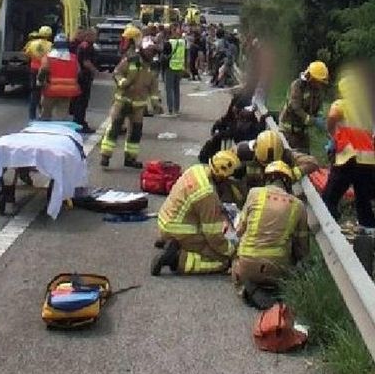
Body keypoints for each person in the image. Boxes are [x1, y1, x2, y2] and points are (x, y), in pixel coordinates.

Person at [232, 161, 310, 309]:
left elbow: (240, 230)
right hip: (277, 268)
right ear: (287, 182)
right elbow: (303, 248)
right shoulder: (298, 205)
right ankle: (276, 291)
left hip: (247, 264)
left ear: (266, 178)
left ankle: (246, 287)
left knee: (236, 262)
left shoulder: (254, 193)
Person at [152, 150, 241, 276]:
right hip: (179, 231)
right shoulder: (207, 194)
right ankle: (175, 259)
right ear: (221, 177)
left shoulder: (197, 169)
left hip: (165, 219)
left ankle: (168, 240)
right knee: (221, 260)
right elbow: (213, 236)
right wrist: (232, 252)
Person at [322, 70, 375, 228]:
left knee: (329, 197)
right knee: (363, 200)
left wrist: (333, 134)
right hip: (368, 160)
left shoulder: (341, 104)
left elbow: (332, 117)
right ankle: (368, 230)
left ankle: (329, 224)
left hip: (348, 157)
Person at [100, 38, 163, 169]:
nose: (152, 53)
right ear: (143, 50)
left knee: (135, 132)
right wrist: (122, 82)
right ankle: (105, 156)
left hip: (138, 105)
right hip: (123, 100)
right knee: (114, 128)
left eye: (153, 51)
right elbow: (117, 72)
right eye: (150, 50)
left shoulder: (152, 67)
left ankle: (130, 158)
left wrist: (156, 103)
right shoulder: (131, 60)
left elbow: (153, 88)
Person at [278, 60, 330, 152]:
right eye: (318, 81)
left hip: (302, 132)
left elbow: (318, 107)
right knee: (290, 158)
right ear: (311, 78)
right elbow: (295, 108)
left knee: (305, 158)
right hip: (288, 131)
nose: (319, 85)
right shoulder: (297, 86)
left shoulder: (317, 90)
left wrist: (320, 117)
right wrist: (313, 121)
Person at [37, 33, 81, 121]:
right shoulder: (73, 58)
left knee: (45, 114)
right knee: (61, 116)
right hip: (67, 91)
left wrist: (40, 82)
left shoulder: (48, 57)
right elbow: (78, 71)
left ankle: (45, 132)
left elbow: (43, 70)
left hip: (50, 90)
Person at [71, 28, 98, 133]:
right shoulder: (86, 46)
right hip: (83, 77)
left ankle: (79, 121)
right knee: (81, 101)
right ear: (88, 36)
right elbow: (86, 62)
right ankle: (79, 122)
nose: (96, 37)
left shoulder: (84, 45)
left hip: (83, 76)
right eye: (94, 35)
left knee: (81, 101)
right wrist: (95, 71)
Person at [23, 25, 53, 120]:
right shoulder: (51, 45)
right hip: (45, 70)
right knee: (44, 92)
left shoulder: (31, 44)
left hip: (34, 70)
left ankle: (32, 116)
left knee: (34, 93)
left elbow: (26, 55)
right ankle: (42, 113)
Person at [162, 28, 187, 116]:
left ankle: (170, 110)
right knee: (176, 89)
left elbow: (164, 55)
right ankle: (177, 109)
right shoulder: (183, 42)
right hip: (179, 67)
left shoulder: (169, 43)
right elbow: (186, 54)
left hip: (170, 67)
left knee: (169, 89)